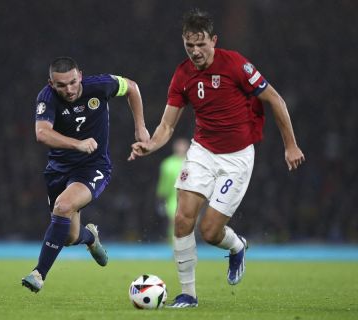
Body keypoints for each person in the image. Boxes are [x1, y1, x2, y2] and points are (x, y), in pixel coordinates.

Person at [128, 9, 305, 308]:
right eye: (189, 45)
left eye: (201, 45)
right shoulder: (182, 75)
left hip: (236, 158)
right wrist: (150, 146)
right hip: (202, 152)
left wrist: (290, 145)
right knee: (183, 218)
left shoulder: (235, 63)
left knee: (210, 232)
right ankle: (188, 294)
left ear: (213, 41)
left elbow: (274, 98)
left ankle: (236, 246)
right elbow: (167, 125)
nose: (195, 51)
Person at [22, 56, 150, 293]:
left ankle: (39, 273)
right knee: (69, 237)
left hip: (94, 167)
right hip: (58, 170)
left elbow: (132, 87)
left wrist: (140, 127)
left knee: (63, 206)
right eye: (61, 85)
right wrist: (77, 144)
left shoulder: (100, 85)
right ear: (51, 84)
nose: (68, 90)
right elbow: (42, 133)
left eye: (72, 82)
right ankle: (90, 238)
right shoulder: (46, 98)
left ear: (80, 75)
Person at [156, 137, 190, 242]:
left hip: (189, 198)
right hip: (173, 198)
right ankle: (174, 244)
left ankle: (183, 243)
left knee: (186, 223)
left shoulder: (191, 163)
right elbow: (163, 183)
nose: (181, 148)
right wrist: (161, 198)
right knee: (174, 222)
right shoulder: (167, 164)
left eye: (183, 146)